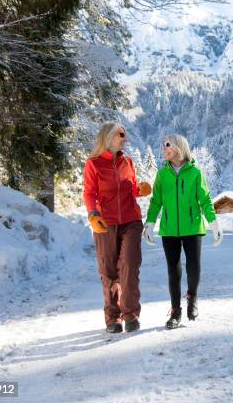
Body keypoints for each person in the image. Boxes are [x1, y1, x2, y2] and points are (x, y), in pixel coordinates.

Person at [143, 134, 223, 329]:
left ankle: (192, 297)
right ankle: (175, 311)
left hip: (193, 228)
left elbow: (205, 200)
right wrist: (150, 223)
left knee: (193, 267)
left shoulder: (195, 173)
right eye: (163, 146)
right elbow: (156, 201)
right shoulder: (162, 175)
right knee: (173, 271)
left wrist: (214, 223)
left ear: (179, 147)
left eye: (168, 145)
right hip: (169, 229)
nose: (164, 149)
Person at [83, 122, 152, 333]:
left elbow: (130, 188)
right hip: (106, 223)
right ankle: (112, 317)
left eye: (124, 134)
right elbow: (90, 193)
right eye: (120, 134)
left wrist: (140, 189)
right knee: (109, 269)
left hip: (131, 221)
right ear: (109, 136)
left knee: (130, 265)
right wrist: (93, 214)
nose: (124, 137)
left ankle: (130, 314)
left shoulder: (127, 162)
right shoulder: (93, 164)